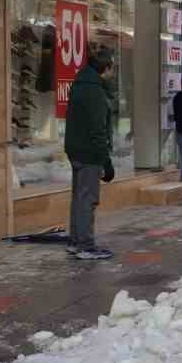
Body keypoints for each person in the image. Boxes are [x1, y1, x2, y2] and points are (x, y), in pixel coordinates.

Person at [64, 48, 117, 261]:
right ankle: (85, 245)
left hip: (76, 148)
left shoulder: (80, 85)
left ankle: (76, 241)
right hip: (89, 152)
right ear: (105, 69)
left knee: (79, 197)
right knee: (88, 199)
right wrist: (106, 160)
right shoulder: (94, 91)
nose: (113, 73)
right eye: (112, 68)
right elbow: (97, 130)